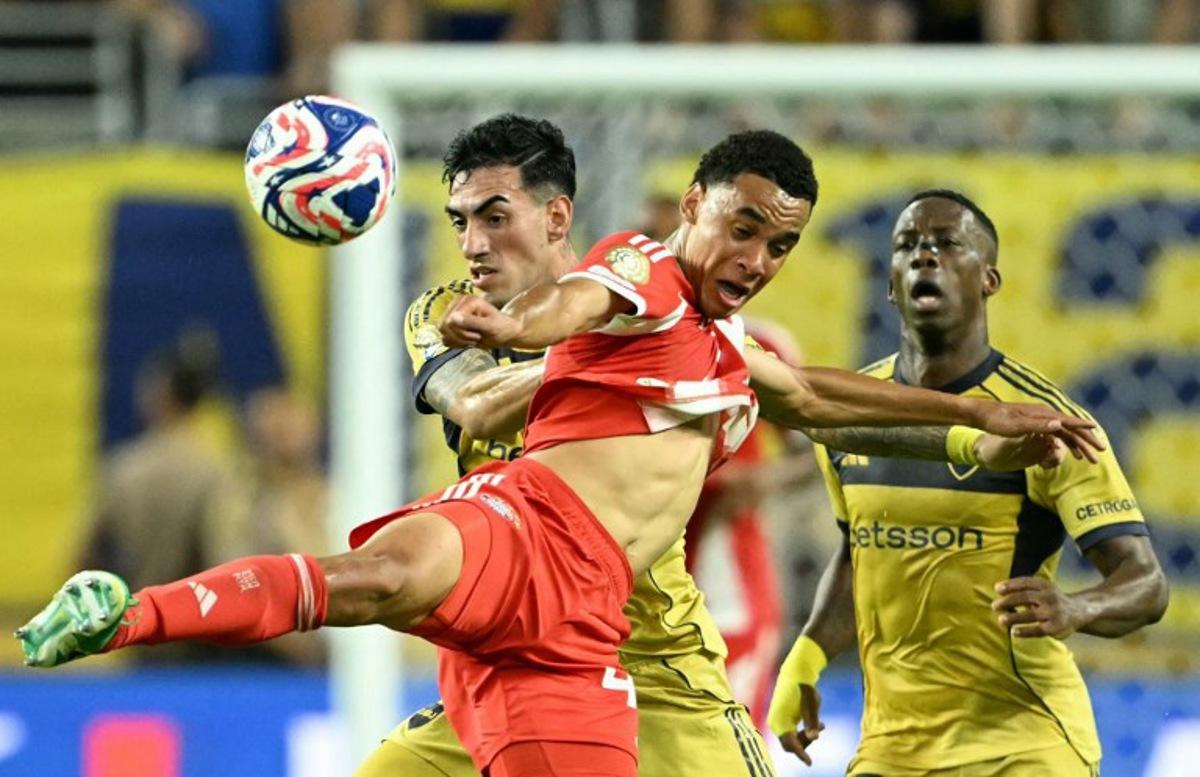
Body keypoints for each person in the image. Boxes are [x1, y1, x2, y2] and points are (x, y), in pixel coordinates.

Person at [18, 135, 1099, 777]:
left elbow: (811, 395)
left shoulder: (699, 330)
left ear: (554, 219)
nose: (477, 243)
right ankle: (134, 611)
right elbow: (482, 392)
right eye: (463, 222)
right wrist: (526, 339)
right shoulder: (487, 308)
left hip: (643, 649)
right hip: (518, 564)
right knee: (380, 579)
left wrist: (975, 423)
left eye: (498, 220)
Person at [767, 190, 1170, 776]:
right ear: (891, 285)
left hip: (1023, 743)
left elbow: (1147, 584)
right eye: (907, 245)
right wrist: (806, 657)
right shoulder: (848, 415)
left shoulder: (1048, 425)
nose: (924, 255)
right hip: (891, 747)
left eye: (947, 243)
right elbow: (861, 552)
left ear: (989, 279)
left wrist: (1076, 607)